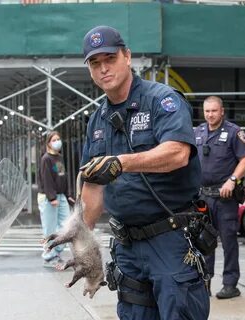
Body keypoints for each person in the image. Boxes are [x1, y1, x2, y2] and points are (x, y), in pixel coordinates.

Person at [79, 25, 210, 320]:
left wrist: (122, 162)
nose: (103, 69)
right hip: (127, 245)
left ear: (127, 56)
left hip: (171, 238)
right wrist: (82, 241)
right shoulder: (97, 121)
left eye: (109, 59)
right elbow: (93, 187)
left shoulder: (161, 100)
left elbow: (178, 153)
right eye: (95, 63)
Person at [194, 96, 245, 299]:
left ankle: (230, 284)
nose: (210, 114)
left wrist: (232, 180)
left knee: (228, 242)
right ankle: (205, 282)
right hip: (203, 197)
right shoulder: (197, 132)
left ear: (222, 111)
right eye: (207, 111)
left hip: (225, 197)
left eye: (214, 111)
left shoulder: (234, 132)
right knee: (204, 241)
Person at [37, 131, 74, 267]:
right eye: (54, 140)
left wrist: (68, 194)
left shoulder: (59, 157)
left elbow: (63, 176)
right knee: (50, 228)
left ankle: (56, 251)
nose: (57, 142)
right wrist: (51, 197)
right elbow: (46, 179)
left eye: (59, 139)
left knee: (67, 226)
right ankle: (49, 256)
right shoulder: (46, 159)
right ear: (48, 143)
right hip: (49, 198)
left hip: (61, 196)